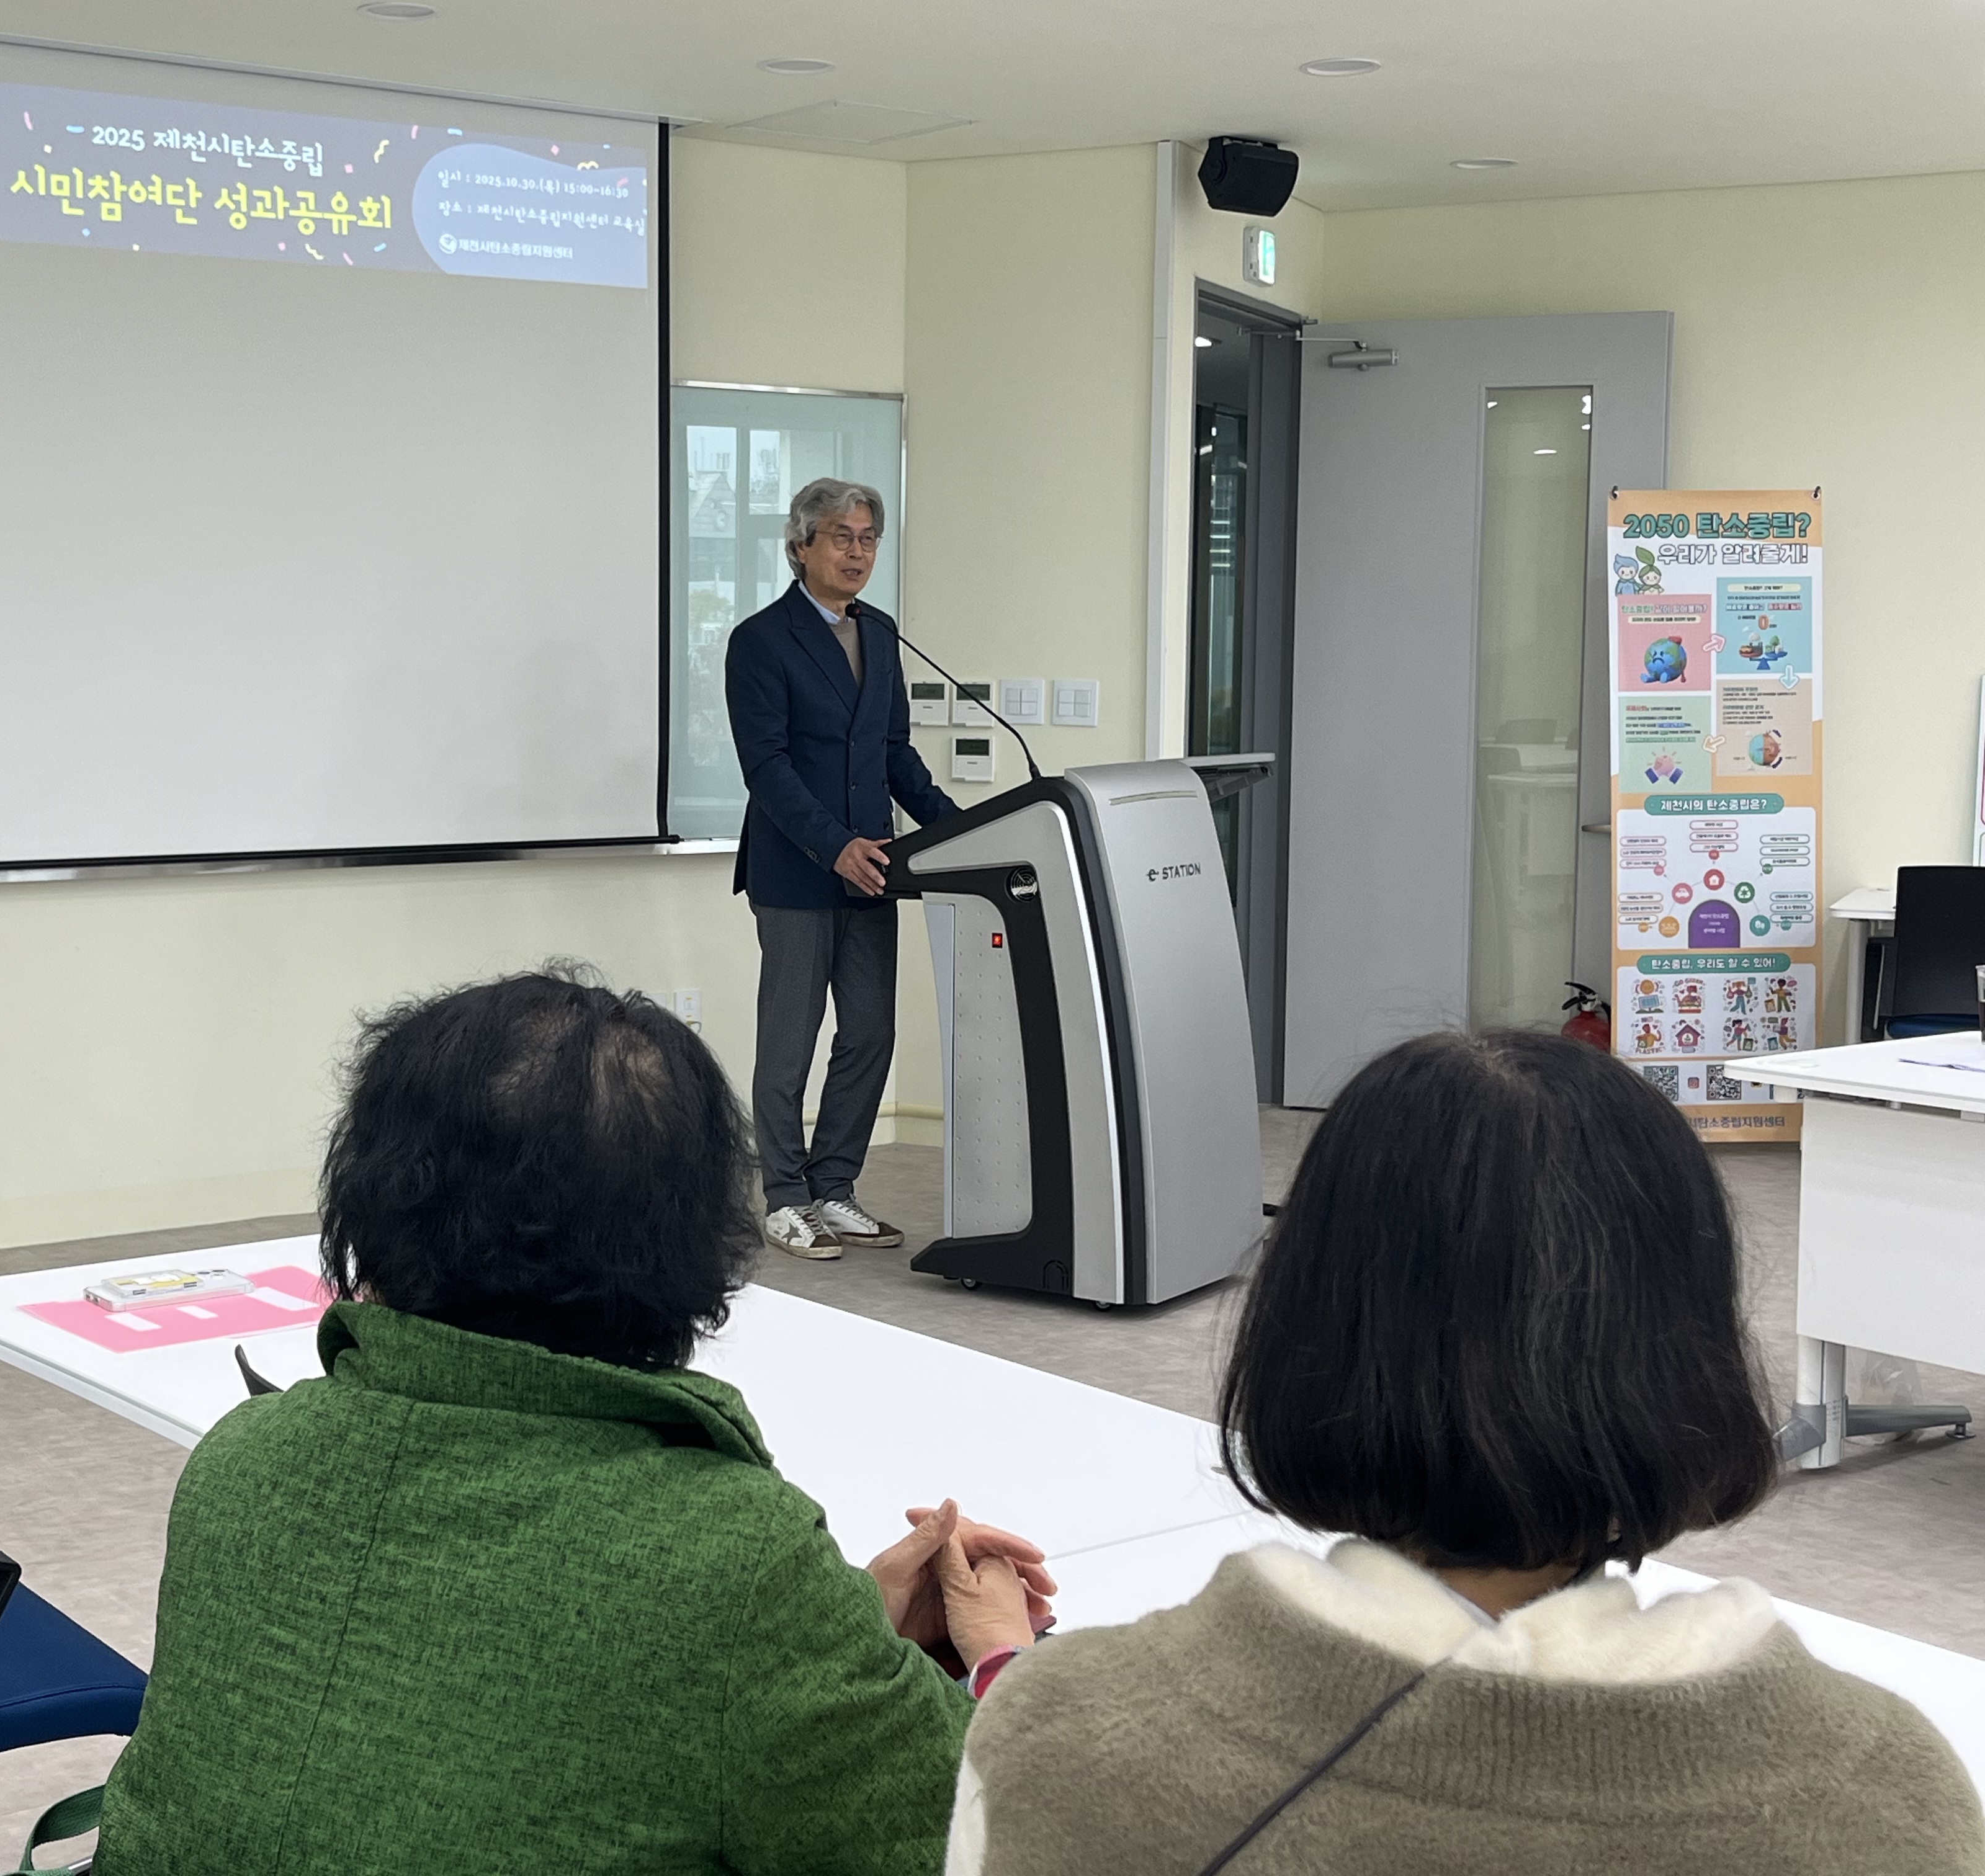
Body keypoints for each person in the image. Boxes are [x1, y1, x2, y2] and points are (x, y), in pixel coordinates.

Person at [946, 1029, 1985, 1875]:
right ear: (1686, 1351)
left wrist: (1007, 1668)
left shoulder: (1062, 1739)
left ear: (1307, 1325)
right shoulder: (1888, 1795)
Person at [98, 970, 1047, 1876]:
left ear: (371, 1205)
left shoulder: (245, 1457)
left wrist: (836, 1638)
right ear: (691, 1240)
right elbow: (998, 1839)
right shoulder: (729, 1557)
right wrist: (1005, 1658)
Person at [725, 478, 959, 1261]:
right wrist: (835, 847)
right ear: (800, 548)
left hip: (875, 871)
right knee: (790, 1041)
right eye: (840, 537)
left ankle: (834, 1186)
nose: (857, 552)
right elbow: (768, 767)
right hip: (799, 873)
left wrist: (961, 831)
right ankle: (786, 1197)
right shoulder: (761, 640)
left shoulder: (880, 633)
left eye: (868, 538)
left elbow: (894, 754)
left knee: (869, 1034)